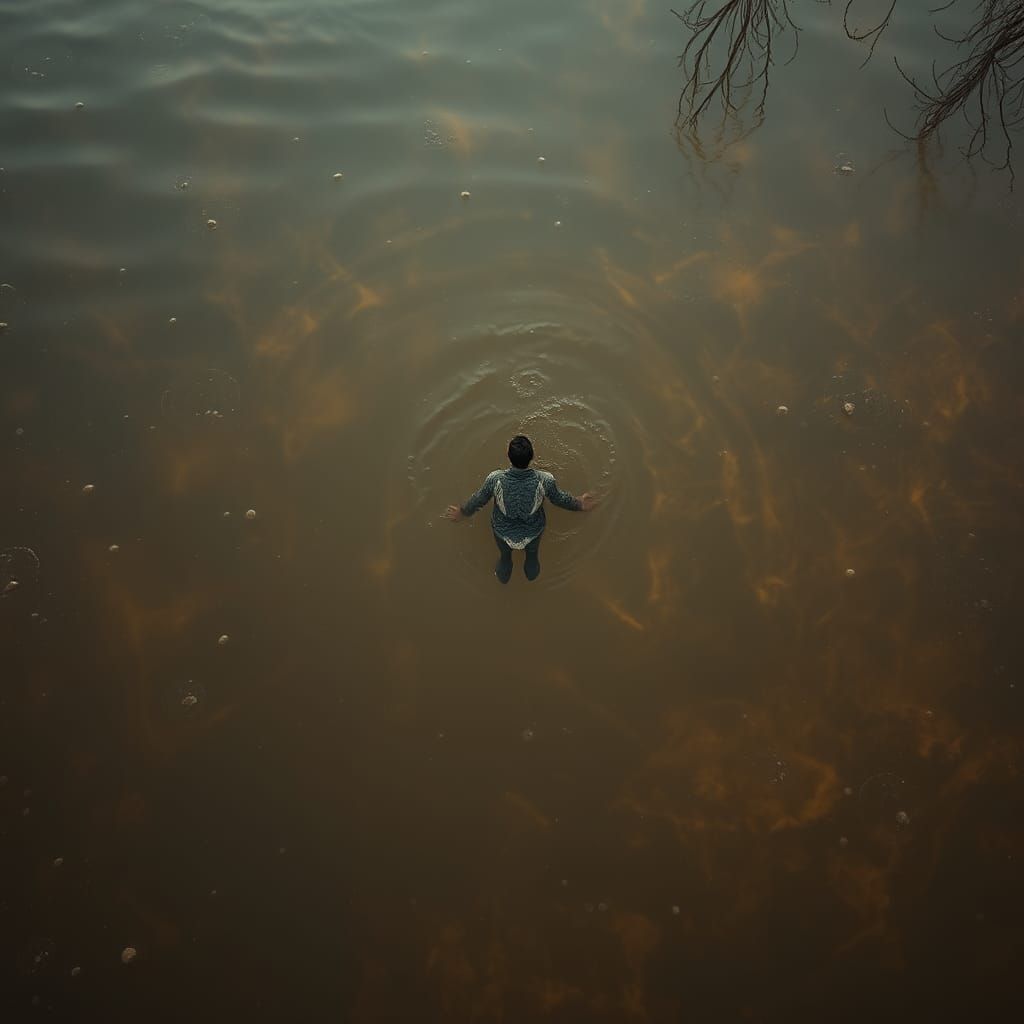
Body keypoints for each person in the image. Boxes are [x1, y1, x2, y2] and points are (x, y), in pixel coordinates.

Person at [445, 435, 597, 583]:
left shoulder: (495, 479)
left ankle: (505, 564)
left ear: (508, 456)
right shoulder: (544, 480)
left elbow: (479, 499)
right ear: (532, 456)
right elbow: (559, 499)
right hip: (532, 532)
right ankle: (531, 569)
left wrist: (463, 512)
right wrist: (579, 505)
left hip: (503, 532)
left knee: (505, 554)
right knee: (532, 553)